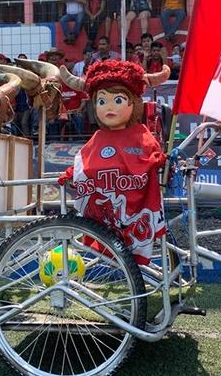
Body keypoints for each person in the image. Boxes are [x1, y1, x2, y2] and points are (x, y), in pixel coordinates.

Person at [57, 60, 169, 264]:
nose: (109, 107)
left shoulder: (140, 135)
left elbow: (152, 155)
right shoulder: (98, 138)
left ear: (133, 102)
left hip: (135, 213)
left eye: (117, 100)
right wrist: (73, 173)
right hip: (102, 214)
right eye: (102, 101)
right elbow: (83, 162)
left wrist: (155, 161)